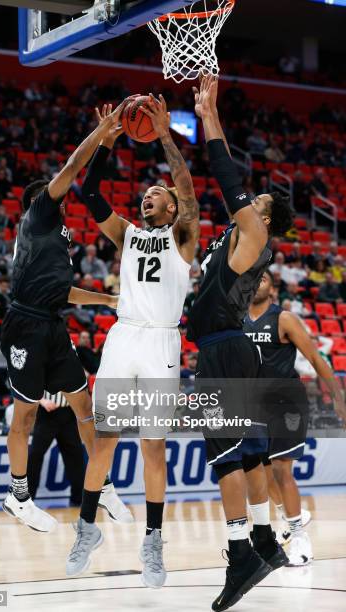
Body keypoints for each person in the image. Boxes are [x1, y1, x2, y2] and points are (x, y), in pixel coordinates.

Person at [67, 96, 199, 588]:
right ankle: (85, 528)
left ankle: (153, 543)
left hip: (163, 343)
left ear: (169, 207)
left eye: (155, 194)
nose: (149, 197)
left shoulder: (183, 235)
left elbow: (186, 189)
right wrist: (105, 139)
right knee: (104, 441)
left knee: (153, 450)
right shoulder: (125, 233)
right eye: (145, 194)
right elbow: (91, 192)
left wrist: (164, 133)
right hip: (123, 338)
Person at [0, 100, 133, 534]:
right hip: (25, 324)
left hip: (52, 320)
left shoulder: (54, 238)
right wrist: (102, 136)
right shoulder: (38, 213)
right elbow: (74, 166)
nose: (60, 195)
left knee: (84, 404)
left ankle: (103, 485)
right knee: (24, 415)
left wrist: (107, 300)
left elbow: (63, 291)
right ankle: (18, 496)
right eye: (53, 192)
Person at [187, 76, 294, 612]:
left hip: (225, 350)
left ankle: (239, 556)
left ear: (266, 218)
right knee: (251, 457)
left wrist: (210, 115)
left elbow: (226, 173)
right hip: (234, 351)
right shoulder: (233, 239)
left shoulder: (253, 231)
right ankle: (265, 541)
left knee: (225, 459)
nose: (251, 199)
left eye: (260, 201)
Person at [243, 271, 345, 565]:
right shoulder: (237, 320)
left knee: (280, 470)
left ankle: (299, 535)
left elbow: (315, 358)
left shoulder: (284, 319)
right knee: (258, 471)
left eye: (263, 278)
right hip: (253, 405)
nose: (256, 281)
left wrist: (339, 398)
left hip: (286, 402)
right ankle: (290, 515)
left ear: (273, 289)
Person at [27, 391, 86, 506]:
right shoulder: (42, 372)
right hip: (46, 413)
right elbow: (29, 384)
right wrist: (41, 400)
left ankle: (79, 498)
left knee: (76, 457)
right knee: (35, 455)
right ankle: (27, 499)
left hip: (69, 414)